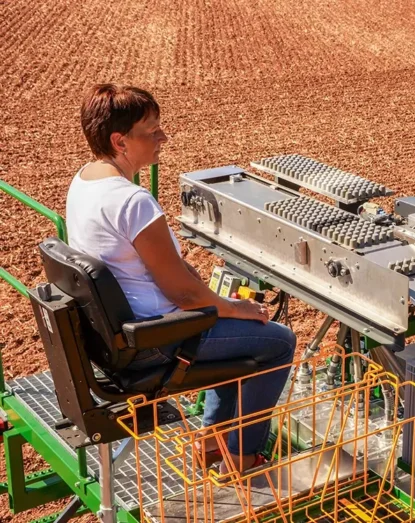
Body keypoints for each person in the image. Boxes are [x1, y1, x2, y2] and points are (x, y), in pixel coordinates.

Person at [67, 83, 296, 472]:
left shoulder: (85, 180)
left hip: (123, 336)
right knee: (277, 342)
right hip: (156, 340)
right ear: (120, 141)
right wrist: (237, 308)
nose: (163, 137)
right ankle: (241, 458)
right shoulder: (132, 201)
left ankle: (211, 444)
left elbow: (169, 273)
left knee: (233, 332)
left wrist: (222, 308)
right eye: (152, 131)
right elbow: (186, 296)